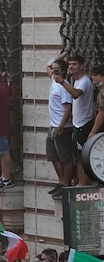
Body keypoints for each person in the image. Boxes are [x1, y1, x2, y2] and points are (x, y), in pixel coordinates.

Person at [56, 55, 95, 186]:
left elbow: (76, 94)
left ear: (82, 66)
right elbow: (50, 67)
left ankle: (84, 183)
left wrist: (62, 82)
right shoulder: (74, 81)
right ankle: (80, 181)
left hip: (84, 125)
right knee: (77, 157)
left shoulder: (84, 81)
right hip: (77, 125)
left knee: (83, 156)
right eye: (70, 64)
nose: (71, 67)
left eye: (75, 64)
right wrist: (60, 57)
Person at [46, 58, 74, 198]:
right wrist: (59, 56)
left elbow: (68, 106)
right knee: (53, 155)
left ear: (63, 71)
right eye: (53, 69)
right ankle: (61, 180)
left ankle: (66, 183)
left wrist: (62, 125)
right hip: (52, 125)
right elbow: (47, 66)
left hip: (62, 126)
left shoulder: (64, 86)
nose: (54, 71)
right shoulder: (54, 81)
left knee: (65, 157)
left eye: (57, 69)